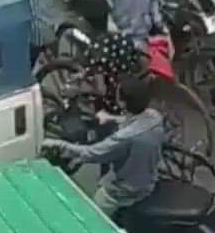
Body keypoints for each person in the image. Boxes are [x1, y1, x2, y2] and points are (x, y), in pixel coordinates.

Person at [42, 76, 164, 218]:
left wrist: (58, 144)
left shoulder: (123, 138)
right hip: (149, 180)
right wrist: (111, 118)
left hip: (126, 190)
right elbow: (133, 122)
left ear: (123, 103)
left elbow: (91, 153)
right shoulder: (155, 117)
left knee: (93, 215)